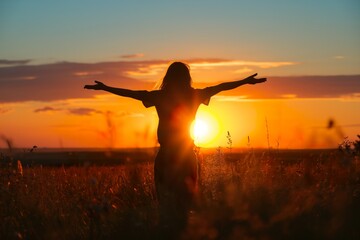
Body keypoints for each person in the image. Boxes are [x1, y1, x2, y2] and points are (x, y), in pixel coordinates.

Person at [84, 62, 266, 230]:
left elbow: (130, 93)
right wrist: (245, 81)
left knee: (165, 204)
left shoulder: (160, 96)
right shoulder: (194, 95)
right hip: (186, 156)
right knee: (186, 204)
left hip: (166, 156)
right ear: (187, 78)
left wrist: (105, 88)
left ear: (167, 78)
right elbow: (221, 87)